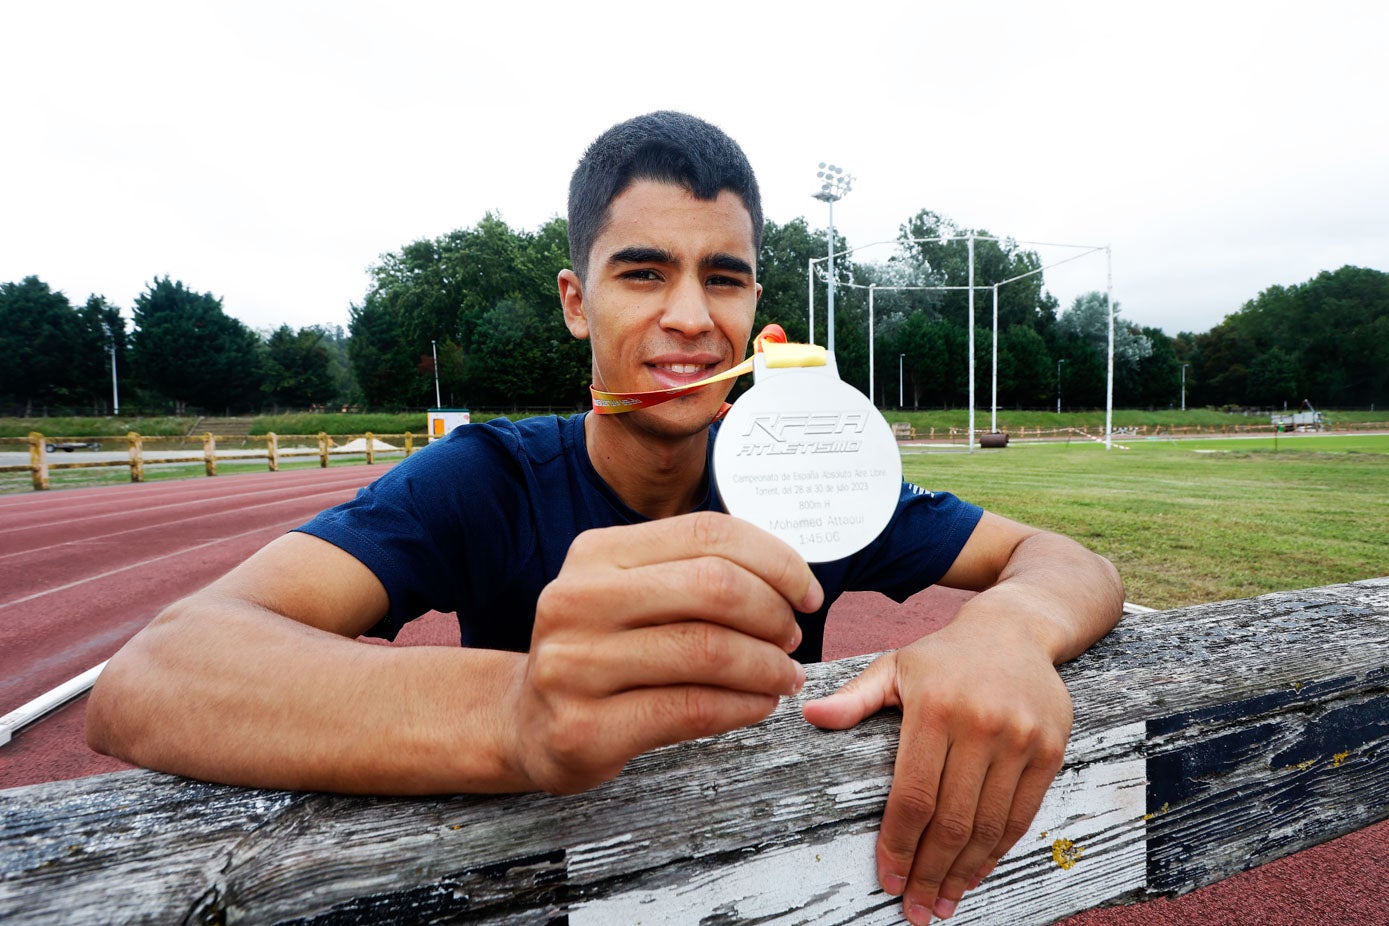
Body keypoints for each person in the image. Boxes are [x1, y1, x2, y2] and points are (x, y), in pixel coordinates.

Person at [87, 111, 1123, 925]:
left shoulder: (812, 478)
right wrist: (517, 713)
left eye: (723, 276)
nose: (687, 315)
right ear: (578, 301)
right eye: (642, 271)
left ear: (756, 304)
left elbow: (1067, 561)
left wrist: (1005, 630)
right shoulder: (484, 476)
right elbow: (153, 678)